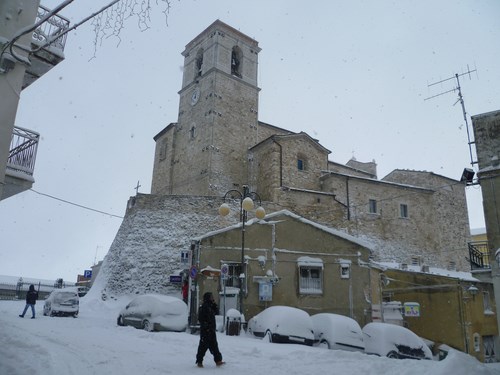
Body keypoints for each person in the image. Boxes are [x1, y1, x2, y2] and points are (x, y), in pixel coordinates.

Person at [195, 292, 224, 368]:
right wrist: (206, 327)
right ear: (208, 298)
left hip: (211, 330)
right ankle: (199, 361)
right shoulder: (204, 307)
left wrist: (214, 303)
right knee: (203, 347)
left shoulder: (211, 306)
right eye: (211, 297)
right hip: (206, 331)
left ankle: (218, 360)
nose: (212, 298)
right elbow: (201, 319)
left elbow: (217, 311)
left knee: (214, 346)